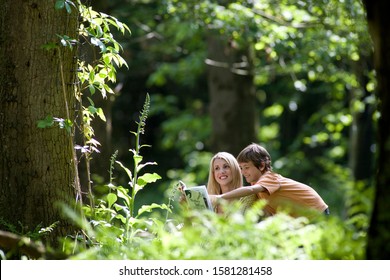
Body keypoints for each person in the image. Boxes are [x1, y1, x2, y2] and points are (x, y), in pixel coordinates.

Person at [215, 143, 329, 218]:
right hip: (302, 218)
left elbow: (250, 190)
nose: (243, 172)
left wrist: (220, 197)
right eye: (241, 168)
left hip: (316, 211)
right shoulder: (256, 185)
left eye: (246, 167)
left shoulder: (269, 178)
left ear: (261, 166)